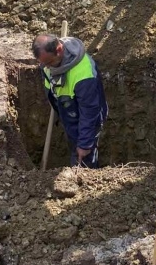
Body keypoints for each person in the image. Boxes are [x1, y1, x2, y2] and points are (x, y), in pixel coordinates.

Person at [32, 34, 108, 168]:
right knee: (74, 144)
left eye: (49, 63)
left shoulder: (84, 75)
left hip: (87, 117)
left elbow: (89, 113)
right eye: (43, 63)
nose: (46, 68)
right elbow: (49, 82)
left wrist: (85, 144)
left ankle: (87, 177)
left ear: (59, 50)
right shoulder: (48, 62)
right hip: (68, 111)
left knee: (85, 158)